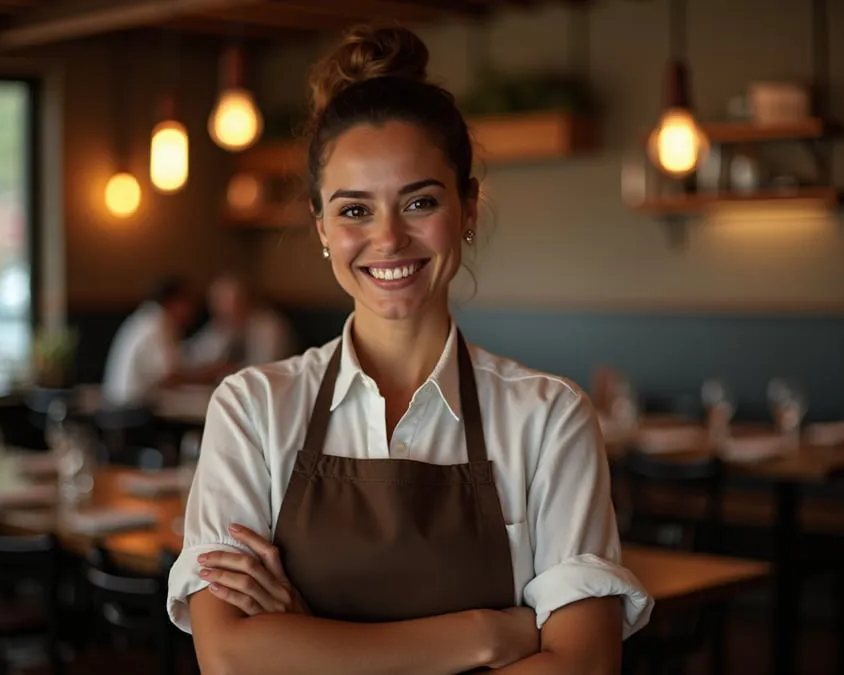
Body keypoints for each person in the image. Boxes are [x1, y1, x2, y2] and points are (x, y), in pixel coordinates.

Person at [167, 24, 653, 675]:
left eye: (419, 201)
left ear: (468, 208)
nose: (389, 238)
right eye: (354, 210)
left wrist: (306, 639)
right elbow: (228, 656)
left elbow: (586, 663)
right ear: (321, 228)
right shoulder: (254, 409)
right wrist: (486, 635)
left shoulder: (549, 417)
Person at [101, 275, 220, 407]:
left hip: (122, 406)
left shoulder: (147, 319)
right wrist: (207, 377)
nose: (193, 309)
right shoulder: (157, 324)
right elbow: (168, 377)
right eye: (189, 302)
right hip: (130, 411)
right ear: (173, 301)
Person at [184, 274, 296, 370]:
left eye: (229, 303)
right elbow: (194, 356)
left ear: (246, 302)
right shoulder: (222, 324)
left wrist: (224, 369)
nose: (223, 310)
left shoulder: (269, 327)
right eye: (217, 303)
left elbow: (264, 369)